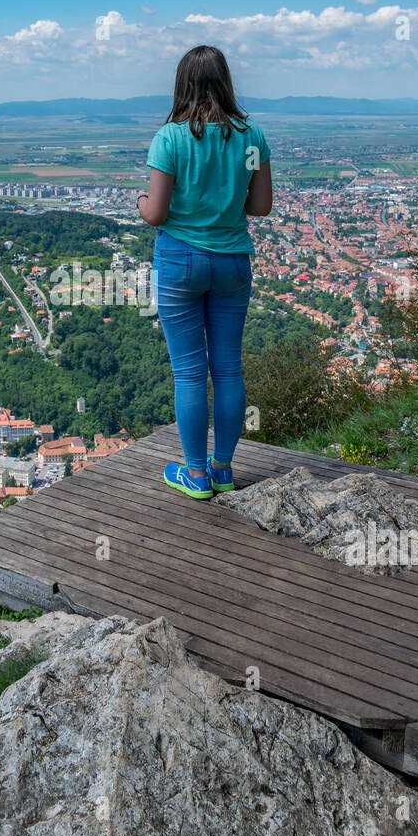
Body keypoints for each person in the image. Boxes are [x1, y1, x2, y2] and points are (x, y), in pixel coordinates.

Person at [137, 45, 273, 499]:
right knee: (229, 369)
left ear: (182, 84)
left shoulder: (170, 139)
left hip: (179, 262)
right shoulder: (251, 136)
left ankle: (195, 475)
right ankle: (223, 469)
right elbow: (261, 206)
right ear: (226, 81)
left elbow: (155, 214)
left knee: (190, 373)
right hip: (233, 260)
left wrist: (140, 203)